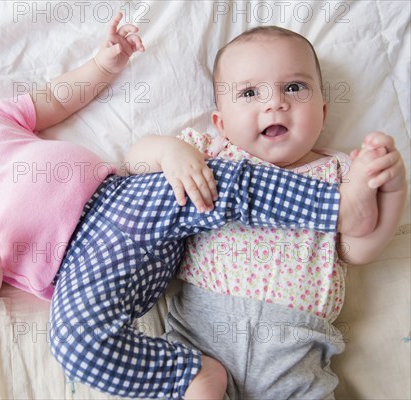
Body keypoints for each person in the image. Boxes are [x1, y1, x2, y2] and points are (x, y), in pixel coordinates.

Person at [0, 16, 390, 399]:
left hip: (118, 202)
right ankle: (190, 377)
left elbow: (55, 98)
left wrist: (105, 64)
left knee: (204, 179)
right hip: (77, 275)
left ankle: (333, 204)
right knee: (73, 346)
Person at [125, 26, 407, 399]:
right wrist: (167, 153)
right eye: (249, 93)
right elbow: (133, 162)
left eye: (293, 87)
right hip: (203, 339)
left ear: (322, 113)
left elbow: (357, 249)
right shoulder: (210, 155)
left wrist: (392, 189)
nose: (275, 103)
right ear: (221, 123)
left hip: (295, 351)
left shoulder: (339, 174)